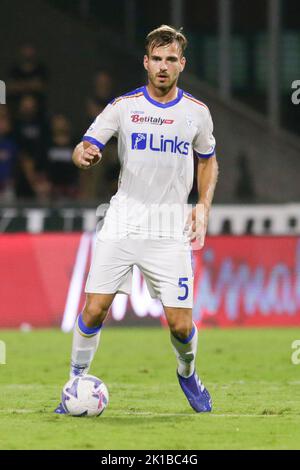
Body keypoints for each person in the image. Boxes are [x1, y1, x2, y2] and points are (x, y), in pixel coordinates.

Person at [55, 25, 219, 414]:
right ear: (146, 62)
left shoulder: (197, 113)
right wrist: (84, 156)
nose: (163, 67)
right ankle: (75, 382)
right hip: (123, 220)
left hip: (169, 227)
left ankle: (187, 371)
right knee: (95, 308)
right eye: (156, 59)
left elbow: (208, 159)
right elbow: (85, 146)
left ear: (182, 64)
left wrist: (204, 205)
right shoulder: (124, 107)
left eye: (171, 60)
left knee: (180, 326)